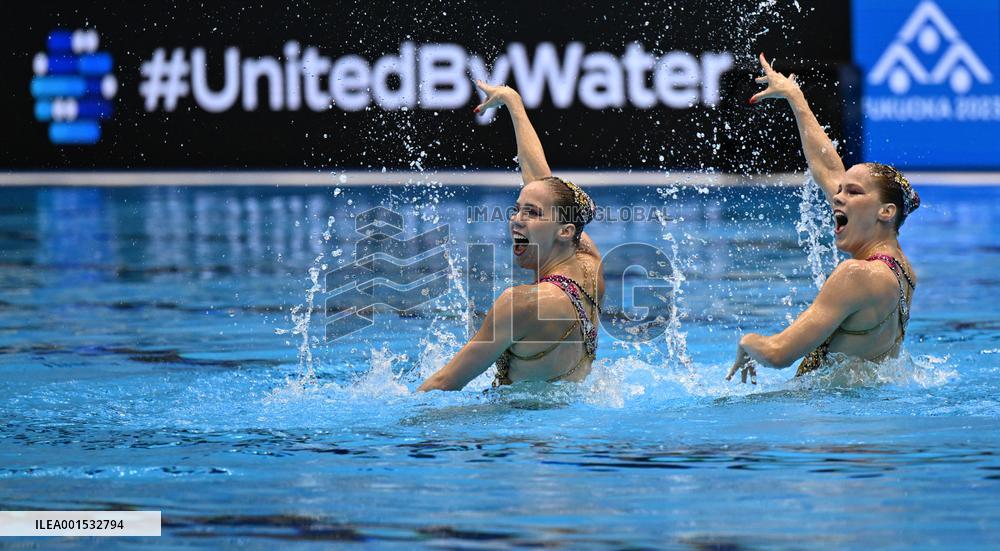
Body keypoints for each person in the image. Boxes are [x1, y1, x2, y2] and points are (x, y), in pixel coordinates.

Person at [727, 53, 920, 384]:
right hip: (857, 413)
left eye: (854, 193)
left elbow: (778, 353)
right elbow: (829, 168)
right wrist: (794, 95)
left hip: (824, 419)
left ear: (886, 212)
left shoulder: (857, 275)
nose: (839, 197)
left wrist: (748, 343)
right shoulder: (900, 269)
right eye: (841, 191)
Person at [418, 81, 605, 391]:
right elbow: (544, 184)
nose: (516, 221)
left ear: (564, 231)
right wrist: (512, 101)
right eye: (517, 210)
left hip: (517, 431)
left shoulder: (519, 303)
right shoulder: (591, 270)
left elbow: (443, 383)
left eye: (531, 213)